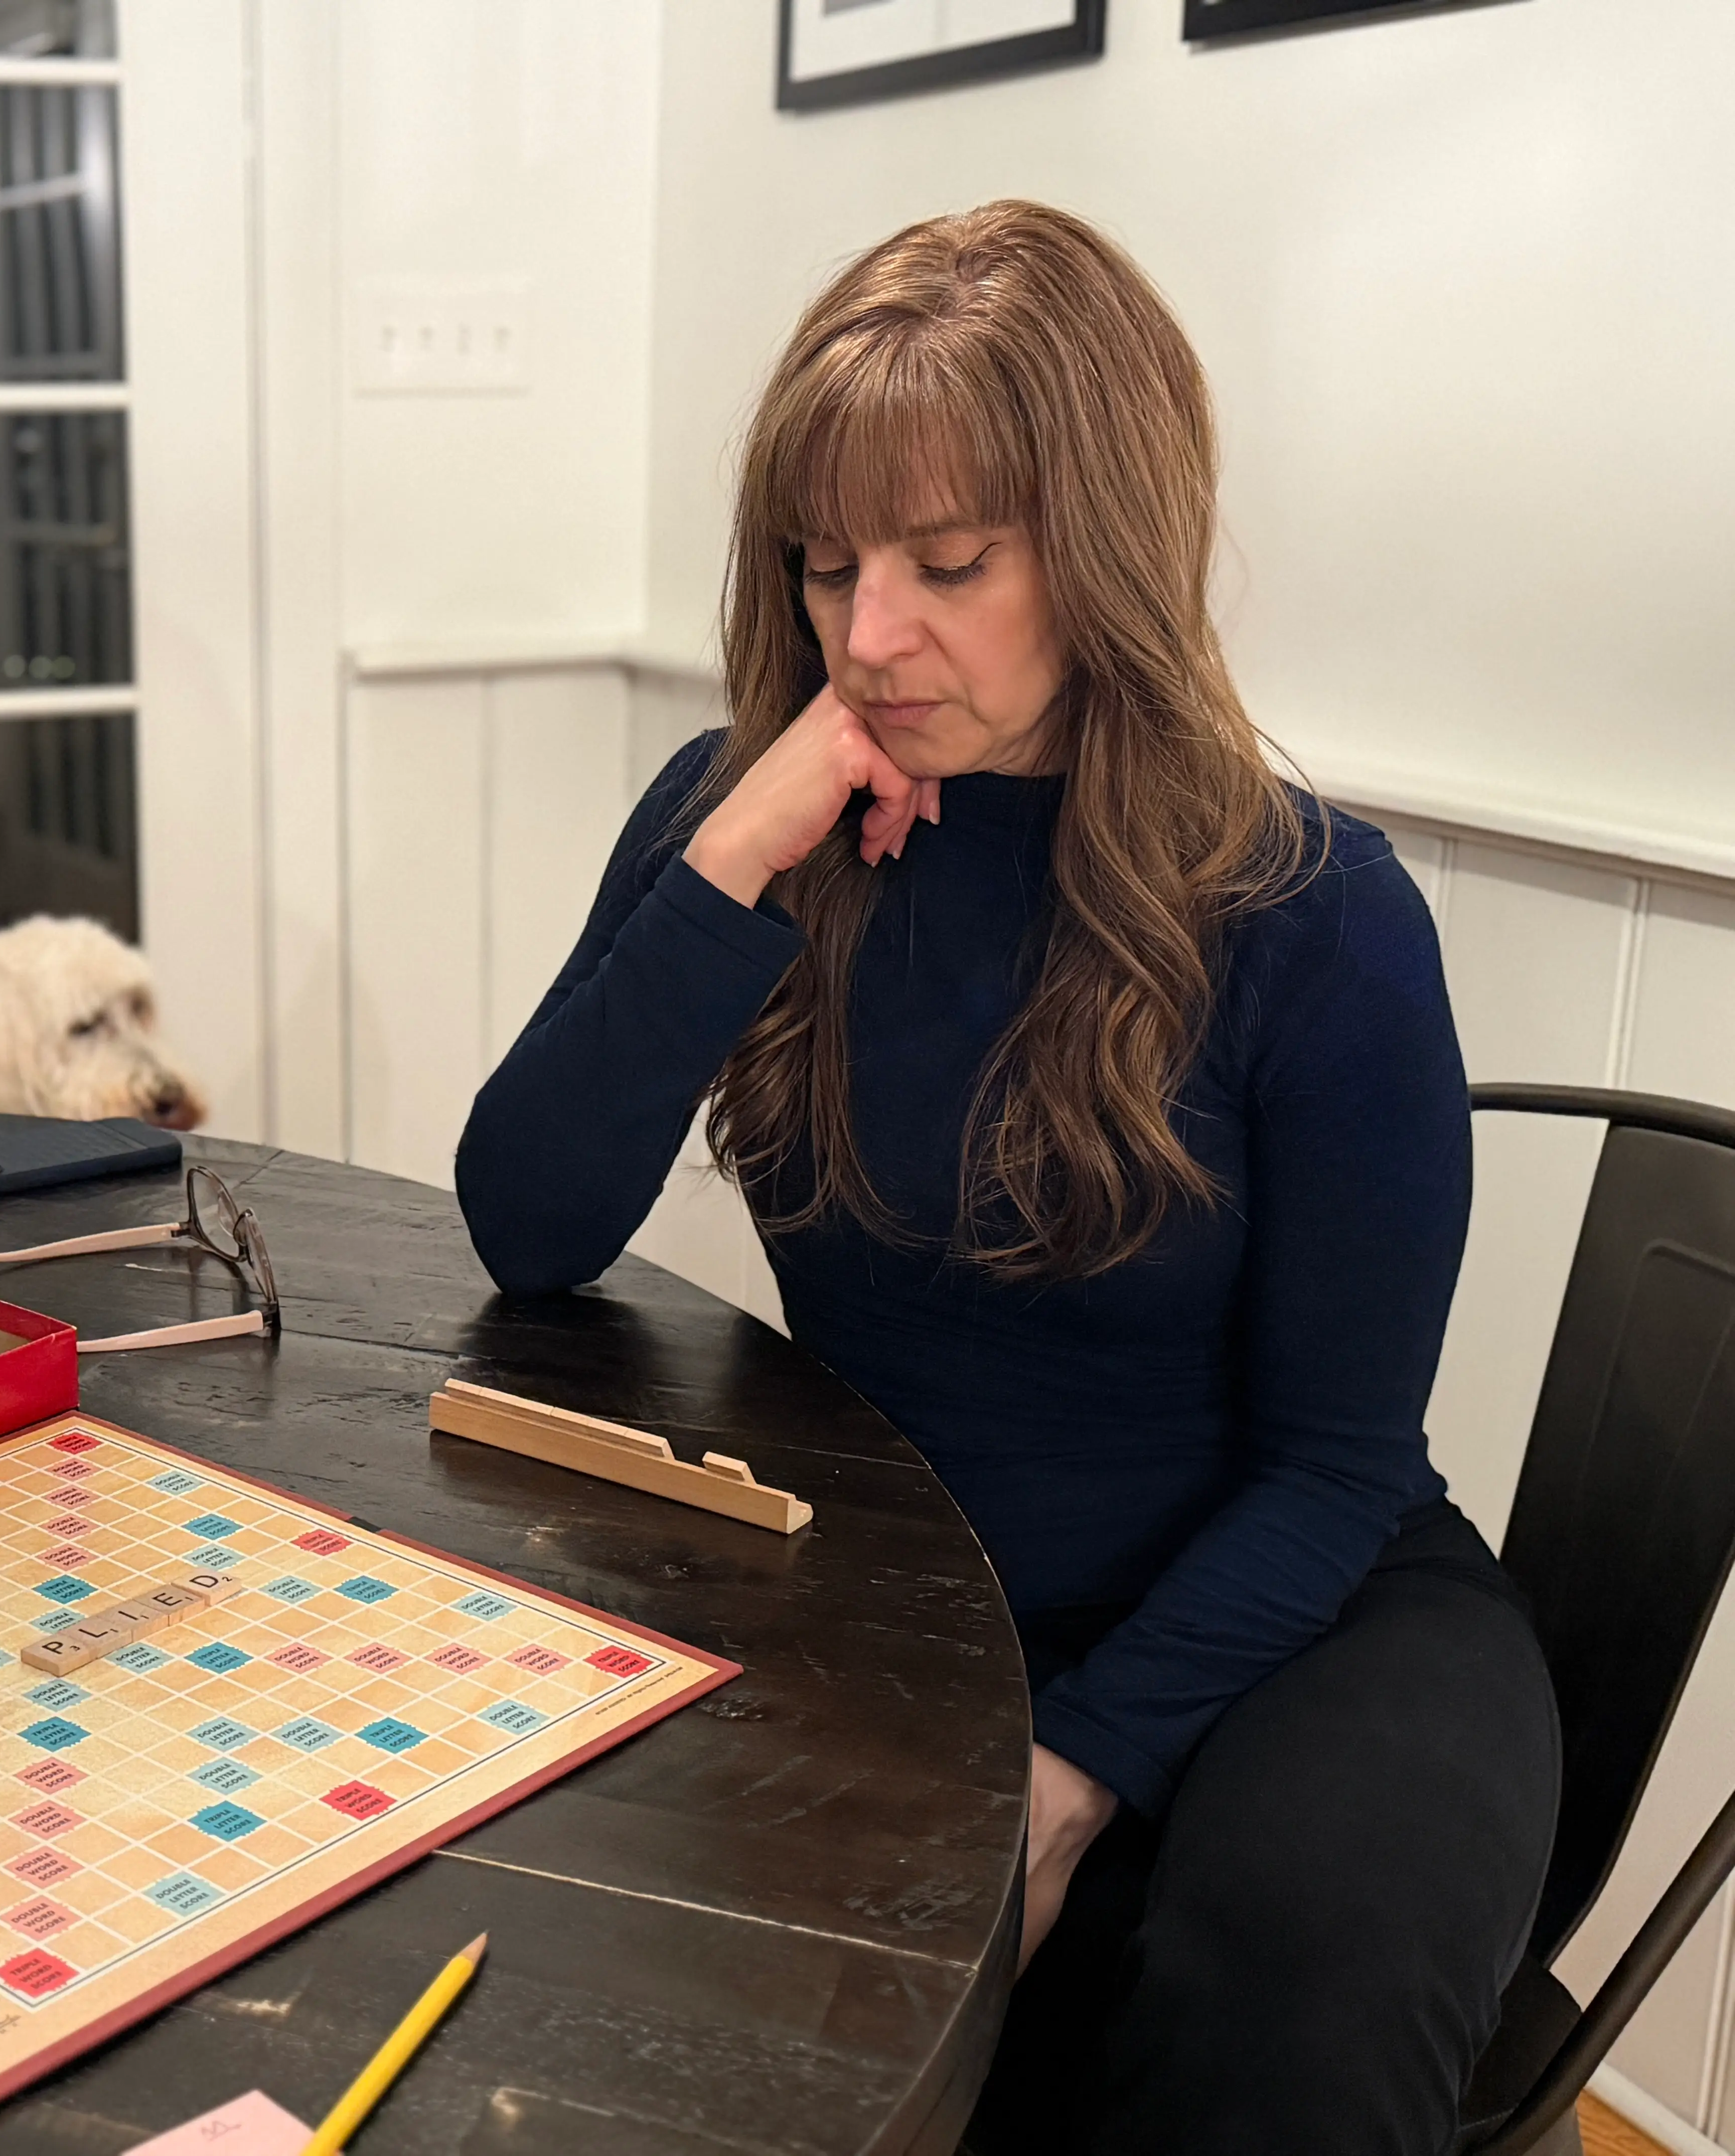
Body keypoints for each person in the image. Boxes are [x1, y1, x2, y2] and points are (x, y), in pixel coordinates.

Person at [455, 201, 1560, 2154]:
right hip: (918, 1597)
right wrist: (736, 857)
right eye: (826, 568)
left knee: (1274, 1980)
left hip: (1299, 1613)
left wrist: (1071, 1776)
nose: (870, 637)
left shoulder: (1316, 914)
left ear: (1107, 546)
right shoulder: (757, 813)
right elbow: (530, 1229)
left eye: (949, 564)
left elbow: (1337, 1466)